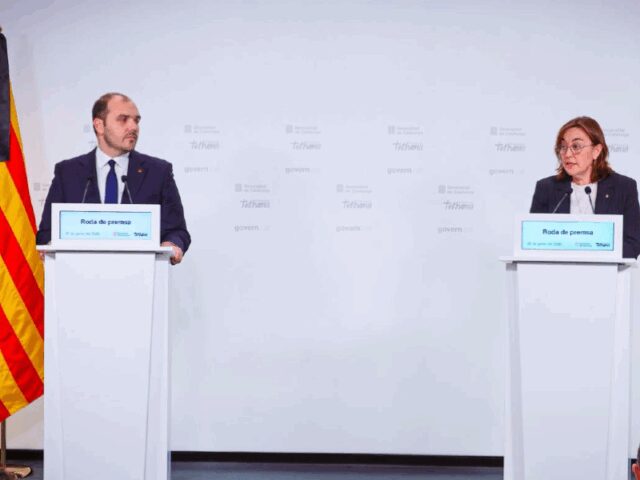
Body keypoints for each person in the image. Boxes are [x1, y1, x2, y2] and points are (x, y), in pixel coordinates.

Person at [36, 92, 190, 264]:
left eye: (136, 120)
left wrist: (171, 244)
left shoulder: (158, 172)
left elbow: (177, 231)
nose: (133, 127)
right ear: (99, 125)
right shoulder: (68, 172)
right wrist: (50, 247)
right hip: (80, 272)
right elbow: (47, 233)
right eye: (123, 119)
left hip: (139, 273)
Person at [530, 116, 640, 259]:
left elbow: (633, 244)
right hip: (558, 269)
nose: (567, 154)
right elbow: (533, 240)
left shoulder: (624, 187)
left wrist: (595, 257)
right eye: (563, 147)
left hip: (605, 271)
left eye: (576, 146)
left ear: (596, 151)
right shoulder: (546, 188)